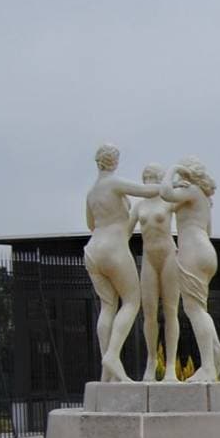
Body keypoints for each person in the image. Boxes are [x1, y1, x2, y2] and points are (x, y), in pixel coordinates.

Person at [84, 144, 165, 382]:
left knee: (108, 306)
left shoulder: (91, 192)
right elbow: (148, 192)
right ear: (114, 162)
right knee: (131, 301)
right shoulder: (115, 183)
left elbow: (90, 223)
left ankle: (107, 373)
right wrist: (172, 182)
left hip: (92, 250)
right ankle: (111, 356)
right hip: (114, 248)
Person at [159, 157, 220, 382]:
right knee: (199, 309)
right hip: (206, 251)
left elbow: (165, 194)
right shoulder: (203, 198)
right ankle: (216, 351)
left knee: (194, 310)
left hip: (192, 251)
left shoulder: (191, 191)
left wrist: (172, 168)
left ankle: (208, 366)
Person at [130, 163, 180, 382]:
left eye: (153, 175)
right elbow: (124, 231)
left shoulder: (168, 201)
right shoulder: (139, 205)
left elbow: (189, 207)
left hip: (169, 256)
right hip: (149, 259)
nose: (149, 179)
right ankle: (151, 361)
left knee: (170, 311)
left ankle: (170, 366)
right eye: (146, 175)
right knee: (149, 314)